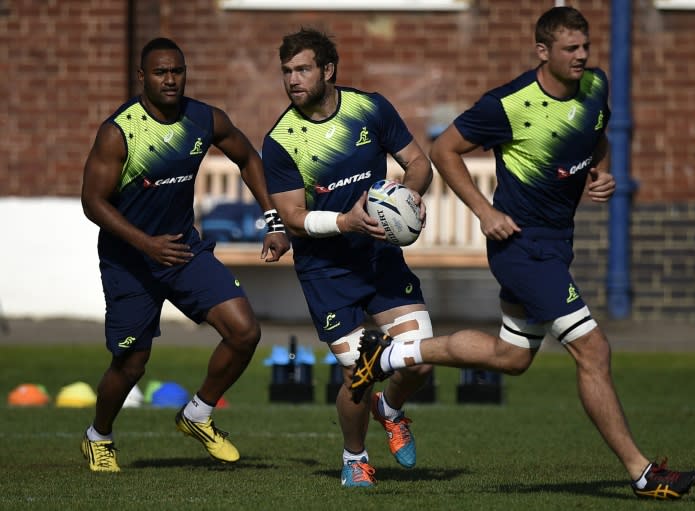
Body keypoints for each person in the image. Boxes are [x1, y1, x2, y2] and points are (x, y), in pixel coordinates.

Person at [351, 6, 695, 500]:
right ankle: (643, 474)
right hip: (521, 247)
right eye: (570, 49)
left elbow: (594, 137)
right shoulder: (508, 104)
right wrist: (482, 212)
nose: (581, 57)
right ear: (543, 51)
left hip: (556, 244)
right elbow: (444, 148)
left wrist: (602, 171)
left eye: (585, 47)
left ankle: (390, 355)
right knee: (593, 349)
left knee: (511, 356)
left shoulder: (595, 87)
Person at [80, 37, 290, 472]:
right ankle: (98, 436)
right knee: (132, 364)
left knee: (244, 331)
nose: (171, 79)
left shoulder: (203, 118)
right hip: (130, 260)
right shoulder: (120, 131)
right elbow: (92, 203)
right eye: (160, 72)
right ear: (142, 77)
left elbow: (248, 157)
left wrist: (275, 221)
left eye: (177, 71)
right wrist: (145, 243)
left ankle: (197, 413)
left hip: (182, 250)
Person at [261, 28, 434, 488]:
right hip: (327, 271)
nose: (293, 80)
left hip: (379, 258)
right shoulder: (281, 140)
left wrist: (407, 199)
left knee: (419, 363)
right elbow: (293, 218)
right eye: (287, 72)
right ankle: (354, 459)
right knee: (360, 374)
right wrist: (346, 221)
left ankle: (392, 411)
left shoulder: (370, 109)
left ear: (328, 70)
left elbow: (419, 163)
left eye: (302, 69)